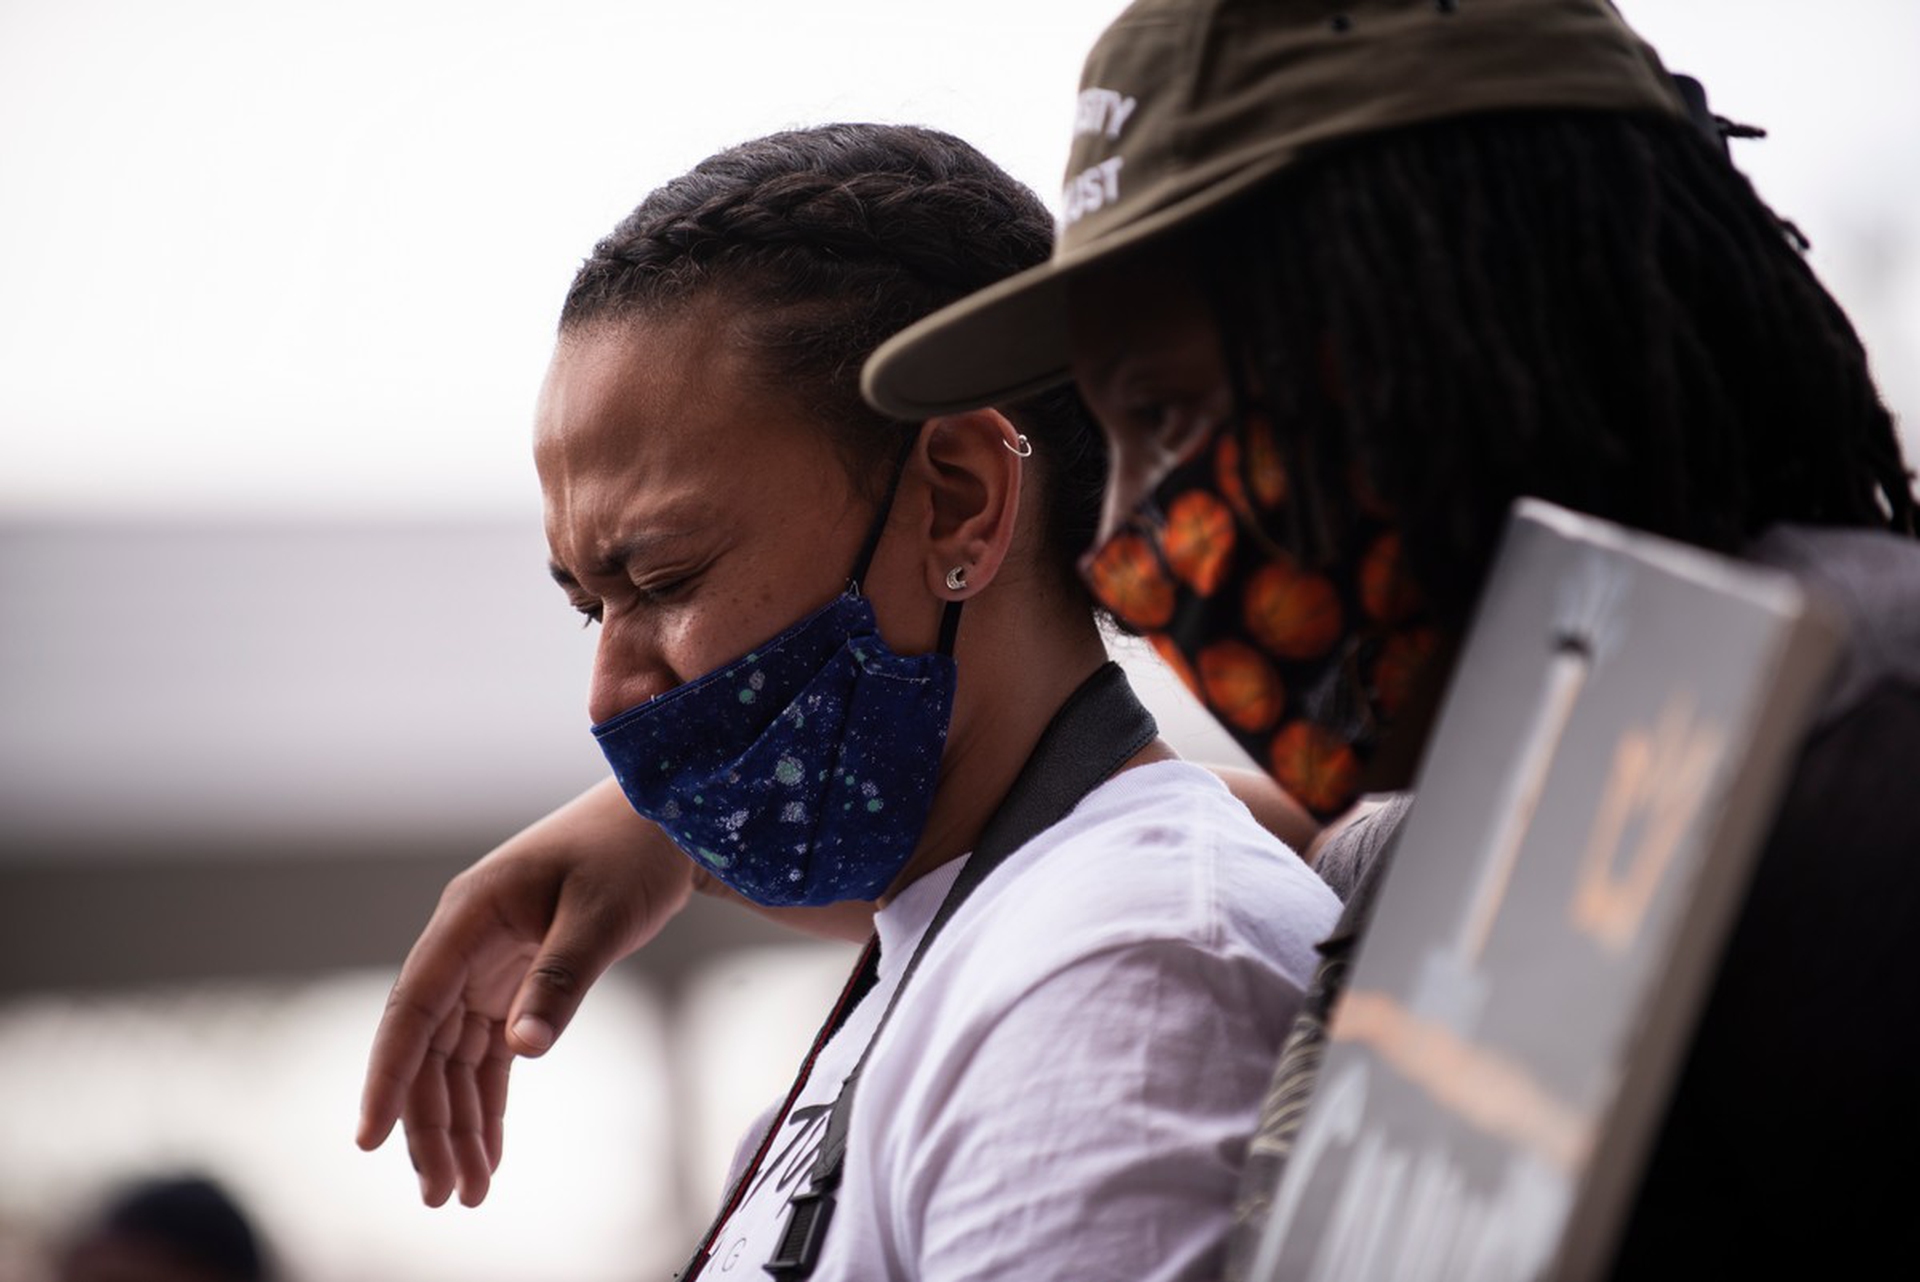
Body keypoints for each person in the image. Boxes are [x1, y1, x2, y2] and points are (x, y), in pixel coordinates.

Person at [859, 0, 1920, 1276]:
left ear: (1444, 314)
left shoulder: (1855, 751)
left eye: (1164, 412)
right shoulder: (1512, 780)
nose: (1121, 541)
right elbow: (1266, 831)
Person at [357, 123, 1340, 1280]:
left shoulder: (1115, 974)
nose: (612, 694)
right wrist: (680, 836)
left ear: (960, 502)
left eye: (665, 581)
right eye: (591, 605)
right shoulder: (991, 929)